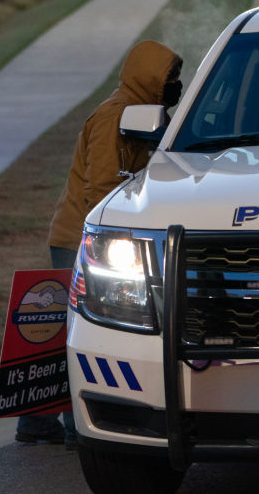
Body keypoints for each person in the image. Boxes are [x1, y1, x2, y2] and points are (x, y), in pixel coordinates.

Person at [16, 40, 183, 447]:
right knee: (83, 328)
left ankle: (36, 421)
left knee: (62, 328)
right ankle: (75, 424)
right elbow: (102, 186)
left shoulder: (139, 113)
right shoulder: (115, 116)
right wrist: (105, 243)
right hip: (81, 234)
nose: (174, 86)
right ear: (150, 79)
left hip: (80, 232)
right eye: (169, 80)